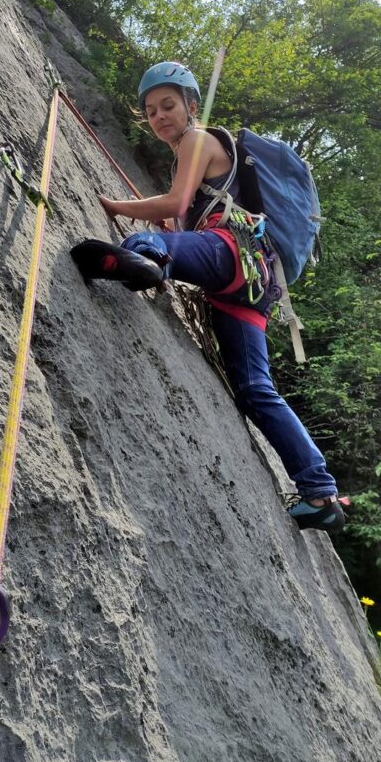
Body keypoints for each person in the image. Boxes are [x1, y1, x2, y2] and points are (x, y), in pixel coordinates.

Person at [81, 61, 345, 532]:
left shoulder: (197, 140)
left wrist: (113, 205)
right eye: (151, 111)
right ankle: (320, 492)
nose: (160, 116)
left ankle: (143, 261)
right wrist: (176, 229)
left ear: (191, 106)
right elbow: (188, 216)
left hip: (233, 252)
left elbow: (176, 204)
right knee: (255, 389)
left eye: (168, 106)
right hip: (251, 285)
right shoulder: (208, 153)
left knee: (156, 245)